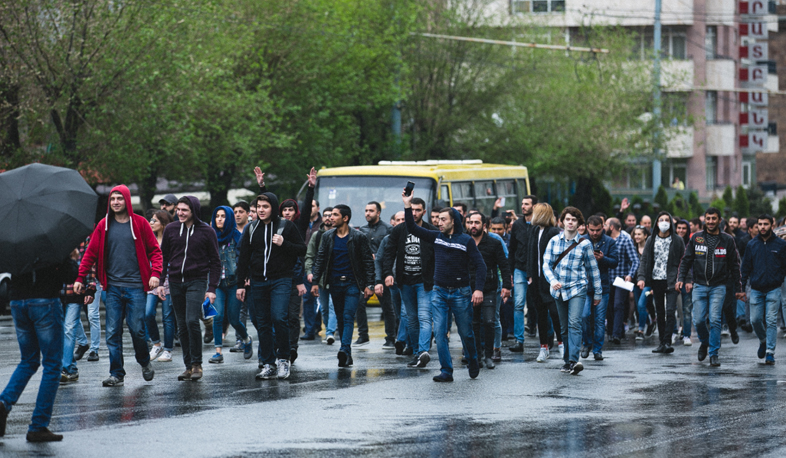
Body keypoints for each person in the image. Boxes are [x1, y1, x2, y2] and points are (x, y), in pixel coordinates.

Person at [75, 185, 162, 386]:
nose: (115, 202)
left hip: (136, 288)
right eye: (113, 199)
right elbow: (90, 254)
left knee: (137, 329)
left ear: (127, 201)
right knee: (113, 332)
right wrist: (80, 277)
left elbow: (155, 252)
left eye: (119, 198)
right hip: (112, 288)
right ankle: (117, 374)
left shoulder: (140, 224)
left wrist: (155, 274)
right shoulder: (103, 226)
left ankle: (144, 361)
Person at [401, 191, 486, 382]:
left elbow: (481, 265)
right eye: (438, 219)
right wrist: (407, 205)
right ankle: (446, 370)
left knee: (466, 333)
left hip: (461, 293)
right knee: (439, 333)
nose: (439, 222)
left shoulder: (466, 241)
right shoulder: (435, 237)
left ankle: (473, 359)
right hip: (439, 292)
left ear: (453, 221)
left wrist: (478, 289)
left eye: (443, 219)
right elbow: (412, 228)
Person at [1, 256, 78, 442]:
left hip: (18, 301)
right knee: (52, 365)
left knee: (28, 360)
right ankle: (38, 425)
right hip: (45, 300)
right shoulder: (50, 244)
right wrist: (71, 258)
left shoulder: (17, 241)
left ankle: (4, 402)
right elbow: (70, 275)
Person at [237, 192, 306, 380]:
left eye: (265, 207)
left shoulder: (286, 226)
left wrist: (284, 244)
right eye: (258, 207)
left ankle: (284, 359)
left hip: (281, 280)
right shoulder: (251, 229)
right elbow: (243, 257)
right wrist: (240, 284)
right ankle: (268, 363)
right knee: (262, 323)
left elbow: (302, 249)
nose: (261, 210)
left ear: (273, 208)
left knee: (279, 317)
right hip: (258, 281)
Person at [160, 196, 222, 381]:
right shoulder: (171, 229)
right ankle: (188, 367)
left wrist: (211, 288)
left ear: (193, 211)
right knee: (181, 325)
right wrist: (161, 281)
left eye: (184, 210)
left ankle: (197, 364)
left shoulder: (207, 231)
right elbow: (163, 258)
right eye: (178, 209)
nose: (180, 213)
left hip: (197, 281)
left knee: (191, 321)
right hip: (175, 281)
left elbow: (216, 262)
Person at [310, 205, 376, 368]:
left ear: (345, 218)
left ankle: (344, 349)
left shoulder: (358, 237)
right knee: (340, 317)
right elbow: (320, 259)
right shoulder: (328, 237)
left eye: (335, 215)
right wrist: (315, 282)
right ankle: (347, 355)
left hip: (352, 284)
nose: (331, 217)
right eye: (330, 215)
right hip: (334, 283)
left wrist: (370, 284)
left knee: (347, 316)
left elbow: (368, 262)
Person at [677, 207, 743, 367]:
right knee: (698, 320)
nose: (711, 221)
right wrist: (681, 277)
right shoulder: (696, 238)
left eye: (714, 219)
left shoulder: (727, 240)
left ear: (720, 220)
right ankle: (705, 343)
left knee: (715, 320)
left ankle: (714, 353)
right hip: (699, 285)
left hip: (719, 286)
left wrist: (739, 288)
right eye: (708, 219)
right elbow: (686, 260)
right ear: (704, 220)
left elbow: (735, 265)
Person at [542, 207, 602, 376]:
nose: (570, 222)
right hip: (559, 289)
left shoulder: (585, 244)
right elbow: (546, 264)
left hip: (578, 287)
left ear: (579, 224)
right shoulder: (554, 241)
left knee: (575, 322)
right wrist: (553, 281)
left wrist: (598, 292)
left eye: (574, 220)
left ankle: (574, 361)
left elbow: (593, 269)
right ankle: (567, 360)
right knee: (563, 327)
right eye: (567, 219)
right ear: (562, 222)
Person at [383, 197, 437, 368]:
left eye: (418, 210)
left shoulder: (431, 231)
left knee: (424, 317)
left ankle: (422, 351)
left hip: (424, 282)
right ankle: (416, 352)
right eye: (411, 210)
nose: (414, 213)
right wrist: (387, 274)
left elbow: (438, 256)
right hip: (405, 280)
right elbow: (388, 253)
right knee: (411, 319)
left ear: (424, 211)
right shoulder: (399, 230)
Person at [208, 206, 253, 364]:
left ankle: (247, 340)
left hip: (234, 283)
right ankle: (218, 352)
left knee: (234, 319)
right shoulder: (210, 237)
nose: (219, 219)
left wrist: (245, 277)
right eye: (217, 216)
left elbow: (244, 259)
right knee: (218, 316)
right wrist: (209, 287)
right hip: (218, 284)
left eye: (223, 216)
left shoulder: (237, 237)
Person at [466, 212, 511, 369]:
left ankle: (488, 355)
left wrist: (506, 286)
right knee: (474, 323)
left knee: (490, 321)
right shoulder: (464, 242)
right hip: (468, 288)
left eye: (476, 222)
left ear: (484, 225)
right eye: (470, 222)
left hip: (490, 288)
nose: (473, 225)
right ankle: (476, 355)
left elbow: (504, 265)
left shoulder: (493, 243)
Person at [636, 211, 684, 354]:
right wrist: (641, 277)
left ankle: (668, 341)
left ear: (671, 223)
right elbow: (644, 260)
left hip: (671, 280)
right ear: (657, 223)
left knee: (670, 311)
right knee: (660, 312)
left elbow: (684, 261)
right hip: (656, 279)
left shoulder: (677, 240)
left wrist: (683, 279)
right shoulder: (651, 239)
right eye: (661, 220)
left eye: (667, 220)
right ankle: (662, 342)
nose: (664, 222)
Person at [740, 215, 786, 364]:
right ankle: (763, 340)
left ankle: (770, 352)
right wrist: (741, 287)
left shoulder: (780, 244)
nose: (763, 227)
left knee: (771, 320)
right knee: (755, 320)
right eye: (760, 224)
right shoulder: (752, 245)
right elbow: (745, 267)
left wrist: (779, 279)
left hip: (773, 288)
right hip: (756, 288)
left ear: (772, 225)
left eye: (765, 224)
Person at [527, 203, 563, 362]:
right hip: (536, 280)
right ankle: (543, 347)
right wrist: (529, 275)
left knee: (555, 313)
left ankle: (562, 344)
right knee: (540, 315)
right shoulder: (534, 230)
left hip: (551, 280)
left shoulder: (554, 232)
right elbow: (530, 254)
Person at [579, 216, 618, 360]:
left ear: (603, 227)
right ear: (587, 227)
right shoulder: (581, 240)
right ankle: (586, 343)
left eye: (598, 230)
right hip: (585, 285)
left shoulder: (609, 242)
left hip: (602, 286)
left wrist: (603, 259)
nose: (595, 233)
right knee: (584, 316)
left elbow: (615, 262)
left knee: (600, 320)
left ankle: (597, 349)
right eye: (592, 230)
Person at [60, 240, 97, 384]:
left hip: (76, 292)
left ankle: (65, 368)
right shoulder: (58, 240)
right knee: (62, 330)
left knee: (69, 329)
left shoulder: (84, 241)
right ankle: (72, 368)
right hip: (58, 293)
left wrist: (90, 288)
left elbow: (90, 263)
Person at [357, 201, 394, 347]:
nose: (367, 213)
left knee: (387, 307)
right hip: (366, 273)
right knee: (359, 303)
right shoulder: (362, 230)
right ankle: (363, 335)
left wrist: (378, 256)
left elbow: (391, 251)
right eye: (366, 210)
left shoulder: (388, 229)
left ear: (378, 213)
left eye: (371, 211)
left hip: (383, 272)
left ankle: (391, 337)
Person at [146, 210, 176, 363]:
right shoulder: (149, 239)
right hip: (153, 282)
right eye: (151, 220)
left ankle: (168, 350)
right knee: (148, 313)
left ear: (164, 223)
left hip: (168, 282)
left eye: (155, 221)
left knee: (167, 318)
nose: (151, 223)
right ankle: (156, 344)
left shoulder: (171, 240)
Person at [305, 207, 338, 345]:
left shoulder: (341, 234)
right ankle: (329, 329)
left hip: (336, 277)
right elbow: (310, 255)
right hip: (321, 278)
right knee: (324, 307)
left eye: (331, 215)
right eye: (326, 215)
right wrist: (309, 272)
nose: (328, 218)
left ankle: (330, 332)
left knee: (333, 306)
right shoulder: (317, 235)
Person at [508, 195, 537, 353]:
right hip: (520, 268)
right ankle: (519, 340)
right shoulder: (517, 224)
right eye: (522, 204)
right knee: (518, 304)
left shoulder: (539, 224)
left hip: (537, 270)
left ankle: (547, 338)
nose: (523, 206)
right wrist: (511, 271)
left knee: (541, 304)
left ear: (534, 206)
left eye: (527, 204)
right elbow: (512, 249)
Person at [604, 218, 639, 346]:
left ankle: (617, 334)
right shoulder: (605, 240)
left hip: (621, 279)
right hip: (607, 279)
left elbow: (635, 260)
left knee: (618, 305)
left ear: (612, 227)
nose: (604, 227)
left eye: (606, 225)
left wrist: (630, 275)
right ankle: (611, 333)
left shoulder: (625, 240)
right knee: (609, 307)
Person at [631, 226, 655, 339]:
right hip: (636, 282)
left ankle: (641, 330)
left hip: (648, 284)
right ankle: (650, 322)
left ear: (645, 235)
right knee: (639, 305)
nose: (637, 236)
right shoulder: (633, 248)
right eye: (635, 234)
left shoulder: (651, 249)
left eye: (639, 234)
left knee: (642, 304)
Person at [674, 219, 694, 344]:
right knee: (671, 309)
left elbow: (691, 263)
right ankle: (673, 332)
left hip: (687, 279)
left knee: (687, 309)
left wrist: (689, 280)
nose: (681, 230)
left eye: (684, 228)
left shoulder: (691, 243)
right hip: (673, 279)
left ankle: (686, 334)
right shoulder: (672, 241)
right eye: (679, 228)